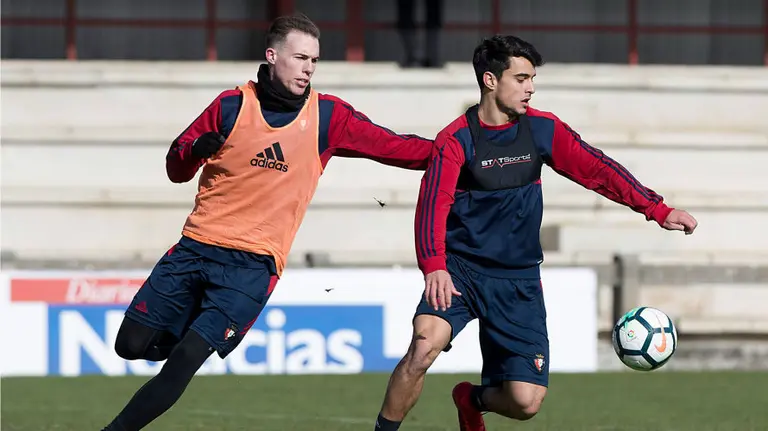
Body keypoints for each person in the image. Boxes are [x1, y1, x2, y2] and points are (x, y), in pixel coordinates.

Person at [101, 13, 433, 431]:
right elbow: (176, 166)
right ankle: (192, 328)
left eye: (315, 59)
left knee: (185, 361)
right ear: (272, 56)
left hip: (252, 267)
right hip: (194, 249)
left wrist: (459, 150)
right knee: (129, 345)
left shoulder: (328, 117)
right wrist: (195, 150)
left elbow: (397, 147)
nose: (309, 67)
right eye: (300, 57)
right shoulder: (230, 106)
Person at [373, 35, 698, 431]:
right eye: (522, 78)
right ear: (490, 80)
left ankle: (470, 399)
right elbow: (431, 208)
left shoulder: (542, 129)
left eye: (532, 78)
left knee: (525, 403)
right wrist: (434, 266)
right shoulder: (455, 140)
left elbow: (597, 170)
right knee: (423, 348)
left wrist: (655, 208)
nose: (531, 87)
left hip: (518, 281)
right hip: (460, 273)